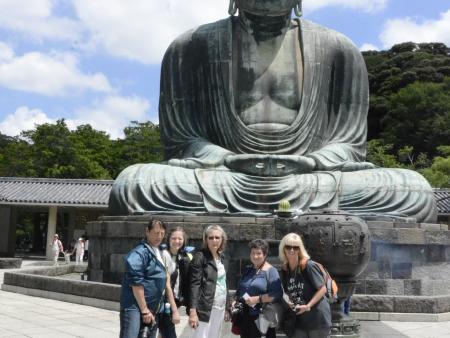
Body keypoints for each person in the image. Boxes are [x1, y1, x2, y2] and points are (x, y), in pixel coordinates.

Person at [109, 0, 436, 223]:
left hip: (311, 178)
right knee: (134, 184)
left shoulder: (339, 49)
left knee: (413, 190)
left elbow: (350, 144)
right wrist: (224, 158)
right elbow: (182, 140)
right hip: (224, 177)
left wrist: (312, 161)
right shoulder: (191, 46)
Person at [120, 220, 179, 338]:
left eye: (162, 234)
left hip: (153, 307)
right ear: (147, 231)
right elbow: (136, 283)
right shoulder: (139, 253)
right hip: (135, 307)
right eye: (156, 233)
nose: (159, 237)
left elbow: (165, 280)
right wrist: (144, 309)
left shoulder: (158, 251)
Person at [278, 233, 331, 338]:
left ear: (299, 249)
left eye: (295, 247)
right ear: (283, 248)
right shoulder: (285, 269)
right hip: (299, 321)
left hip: (317, 319)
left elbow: (322, 289)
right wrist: (288, 301)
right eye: (288, 246)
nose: (292, 250)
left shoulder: (308, 266)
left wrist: (308, 306)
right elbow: (286, 291)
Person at [188, 225, 230, 338]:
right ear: (206, 239)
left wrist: (227, 307)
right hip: (204, 309)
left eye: (217, 237)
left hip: (220, 307)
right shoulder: (200, 257)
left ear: (222, 239)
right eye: (211, 237)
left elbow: (224, 283)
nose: (214, 240)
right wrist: (193, 312)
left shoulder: (223, 258)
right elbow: (194, 285)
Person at [235, 239, 283, 338]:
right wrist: (235, 302)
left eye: (259, 253)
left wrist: (258, 299)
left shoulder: (271, 271)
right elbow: (240, 290)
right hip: (246, 317)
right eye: (253, 253)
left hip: (262, 317)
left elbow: (277, 294)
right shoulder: (249, 270)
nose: (255, 256)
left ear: (265, 255)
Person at [159, 226, 193, 338]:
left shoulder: (185, 256)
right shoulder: (164, 255)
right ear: (168, 239)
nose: (177, 241)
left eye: (180, 239)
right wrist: (174, 310)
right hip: (164, 300)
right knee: (169, 333)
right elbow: (167, 285)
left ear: (184, 241)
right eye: (174, 238)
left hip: (176, 299)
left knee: (163, 332)